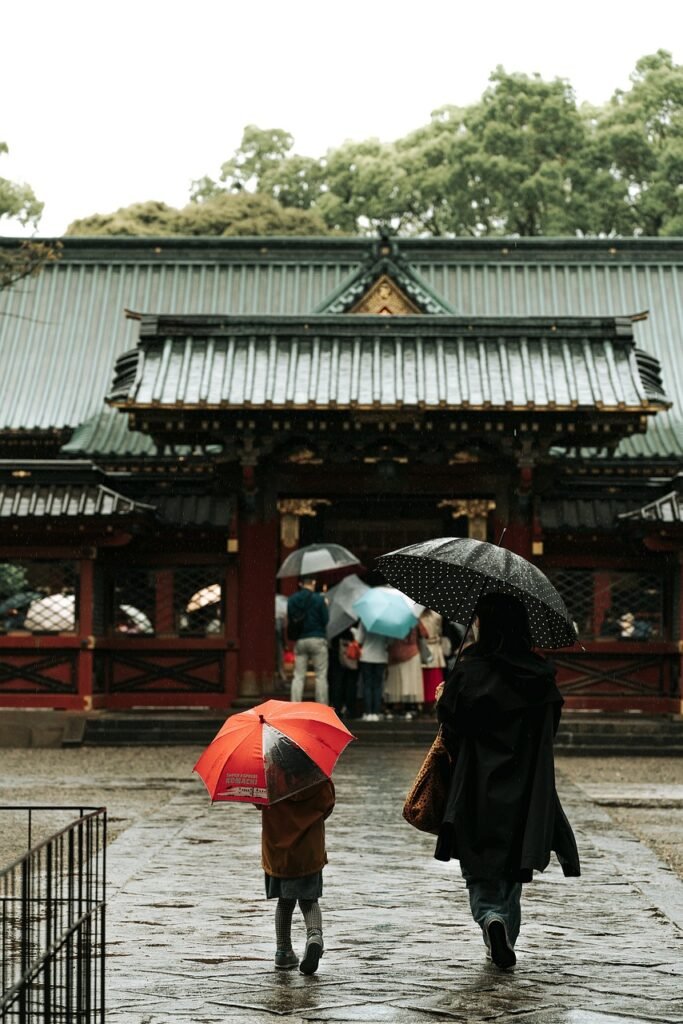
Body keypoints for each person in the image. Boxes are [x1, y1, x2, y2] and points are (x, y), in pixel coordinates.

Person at [436, 592, 580, 970]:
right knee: (512, 863)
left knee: (479, 863)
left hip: (476, 781)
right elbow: (550, 728)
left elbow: (451, 723)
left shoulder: (471, 670)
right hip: (524, 785)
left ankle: (490, 919)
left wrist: (448, 692)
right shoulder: (539, 676)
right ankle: (504, 934)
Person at [261, 779, 335, 974]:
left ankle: (283, 951)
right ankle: (314, 936)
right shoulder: (317, 776)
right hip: (308, 850)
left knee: (284, 902)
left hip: (278, 852)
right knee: (309, 901)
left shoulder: (269, 776)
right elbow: (327, 804)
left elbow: (259, 801)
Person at [287, 576, 329, 704]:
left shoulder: (292, 599)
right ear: (314, 582)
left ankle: (294, 705)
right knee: (320, 675)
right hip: (317, 638)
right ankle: (322, 706)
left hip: (300, 639)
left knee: (298, 676)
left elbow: (290, 618)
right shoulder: (319, 599)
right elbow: (325, 620)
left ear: (301, 584)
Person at [386, 623, 426, 719]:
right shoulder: (414, 619)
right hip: (412, 653)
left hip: (395, 655)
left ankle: (396, 707)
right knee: (410, 683)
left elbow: (388, 641)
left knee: (396, 683)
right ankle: (410, 707)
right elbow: (425, 634)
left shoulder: (390, 621)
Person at [357, 624, 389, 721]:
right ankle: (376, 712)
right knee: (378, 686)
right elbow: (389, 641)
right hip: (381, 657)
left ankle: (367, 713)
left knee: (367, 685)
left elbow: (359, 639)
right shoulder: (386, 623)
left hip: (366, 656)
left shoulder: (364, 621)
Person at [419, 608, 446, 715]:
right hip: (423, 648)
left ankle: (435, 704)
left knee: (435, 679)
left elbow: (440, 630)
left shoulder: (437, 615)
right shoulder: (418, 615)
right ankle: (423, 705)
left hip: (435, 647)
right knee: (423, 680)